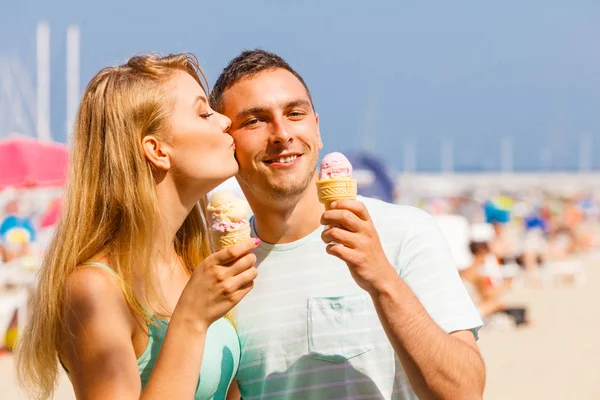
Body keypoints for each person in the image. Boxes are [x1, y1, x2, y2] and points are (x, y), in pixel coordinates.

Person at [211, 49, 486, 399]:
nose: (281, 133)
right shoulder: (220, 267)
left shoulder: (405, 232)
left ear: (317, 128)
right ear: (226, 143)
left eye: (295, 113)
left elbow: (464, 392)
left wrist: (382, 281)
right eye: (255, 121)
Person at [16, 53, 260, 400]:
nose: (224, 121)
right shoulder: (94, 290)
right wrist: (191, 318)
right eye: (203, 112)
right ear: (157, 150)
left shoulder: (194, 260)